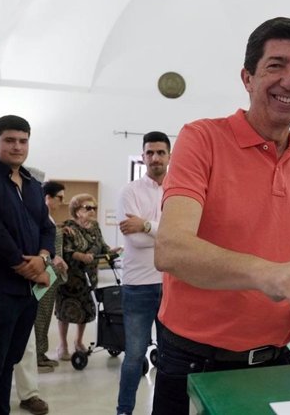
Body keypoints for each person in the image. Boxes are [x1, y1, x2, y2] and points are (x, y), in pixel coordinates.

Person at [151, 17, 290, 414]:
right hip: (197, 361)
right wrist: (269, 273)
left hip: (286, 360)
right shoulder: (201, 138)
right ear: (247, 77)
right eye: (276, 65)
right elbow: (170, 249)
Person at [0, 115, 55, 415]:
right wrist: (22, 264)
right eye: (10, 140)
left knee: (9, 361)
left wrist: (42, 259)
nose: (18, 147)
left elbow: (48, 227)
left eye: (23, 140)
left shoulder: (32, 184)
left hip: (27, 292)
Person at [115, 131, 170, 415]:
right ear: (143, 156)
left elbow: (187, 236)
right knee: (135, 356)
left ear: (169, 156)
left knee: (171, 358)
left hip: (171, 284)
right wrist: (165, 232)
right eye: (150, 153)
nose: (155, 158)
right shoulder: (130, 191)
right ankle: (124, 410)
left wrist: (147, 226)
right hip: (138, 285)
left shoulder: (178, 191)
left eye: (160, 152)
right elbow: (134, 241)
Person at [55, 193, 116, 360]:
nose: (92, 211)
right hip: (71, 277)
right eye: (88, 208)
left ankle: (78, 341)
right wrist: (81, 256)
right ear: (76, 210)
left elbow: (101, 245)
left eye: (94, 208)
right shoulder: (68, 227)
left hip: (89, 277)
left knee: (85, 310)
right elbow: (66, 251)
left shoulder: (95, 226)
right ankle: (63, 344)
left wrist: (111, 252)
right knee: (65, 311)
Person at [34, 181, 69, 369]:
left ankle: (42, 351)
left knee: (46, 314)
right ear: (47, 198)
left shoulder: (50, 218)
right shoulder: (40, 218)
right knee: (40, 315)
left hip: (52, 275)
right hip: (44, 273)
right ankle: (37, 356)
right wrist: (53, 259)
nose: (61, 202)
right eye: (59, 198)